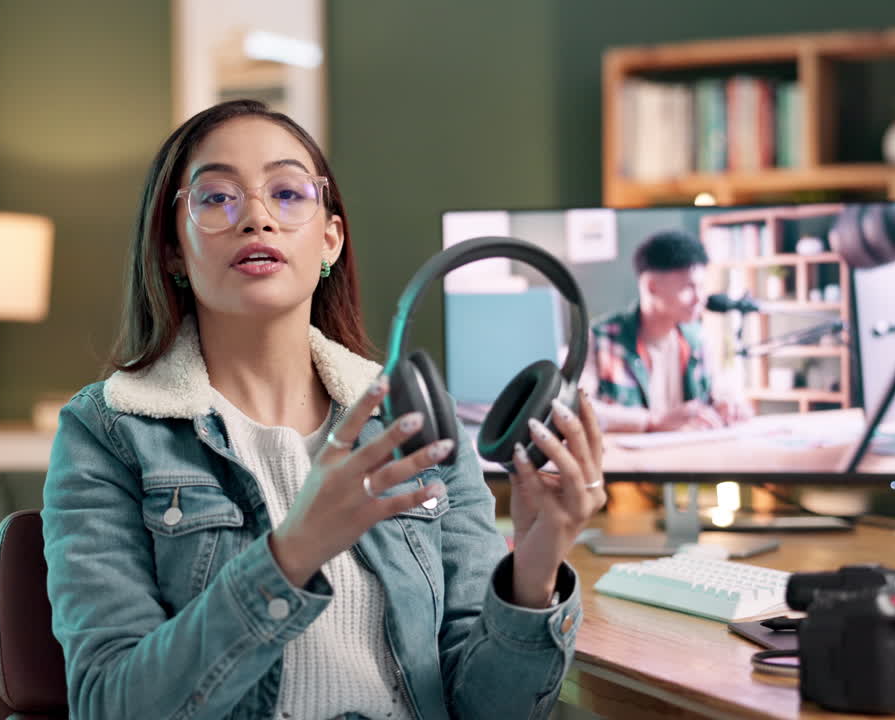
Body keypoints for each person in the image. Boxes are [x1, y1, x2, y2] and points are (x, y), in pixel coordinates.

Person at [40, 99, 608, 720]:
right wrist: (292, 554)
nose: (256, 216)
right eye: (215, 198)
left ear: (330, 238)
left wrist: (535, 568)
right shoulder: (107, 432)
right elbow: (109, 704)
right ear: (174, 250)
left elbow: (489, 709)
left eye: (287, 193)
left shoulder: (417, 425)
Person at [582, 229, 751, 433]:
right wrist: (652, 421)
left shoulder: (699, 338)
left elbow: (723, 392)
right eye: (689, 287)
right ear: (651, 287)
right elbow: (578, 409)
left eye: (702, 286)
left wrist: (730, 405)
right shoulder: (599, 338)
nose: (700, 298)